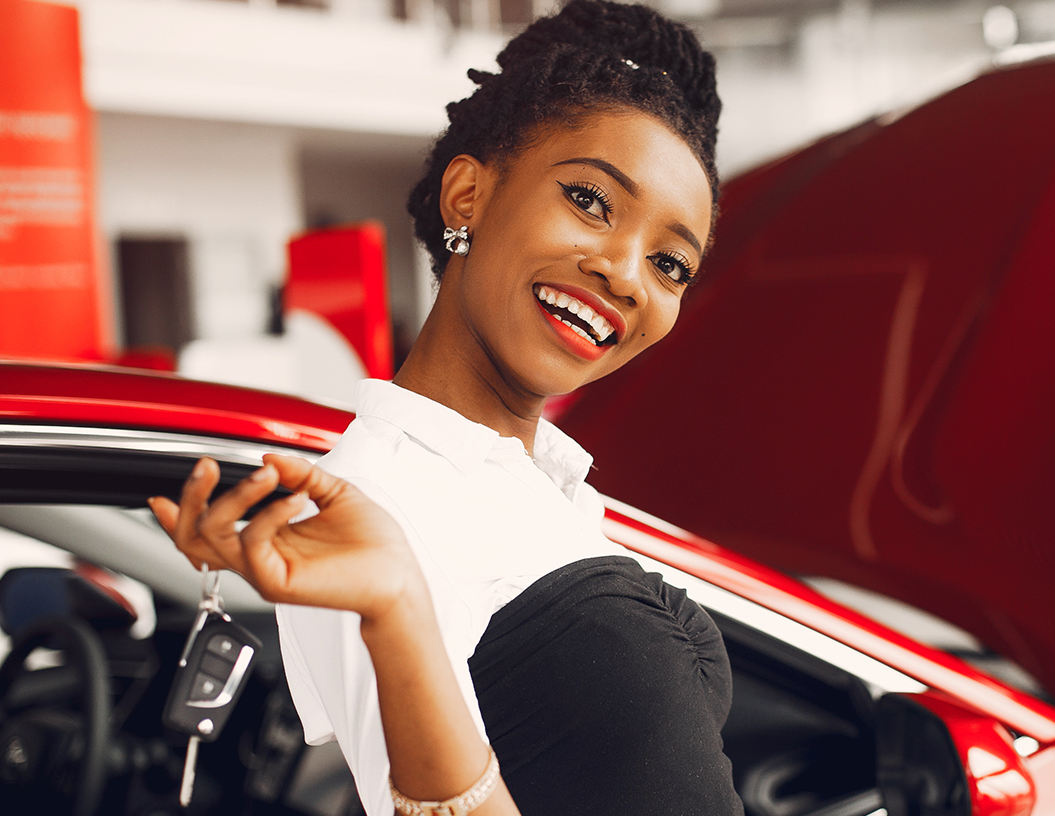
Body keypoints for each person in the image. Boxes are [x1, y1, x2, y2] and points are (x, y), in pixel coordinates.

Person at [148, 2, 743, 814]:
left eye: (671, 263)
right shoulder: (372, 505)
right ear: (468, 194)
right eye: (591, 200)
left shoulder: (548, 484)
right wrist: (395, 607)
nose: (627, 275)